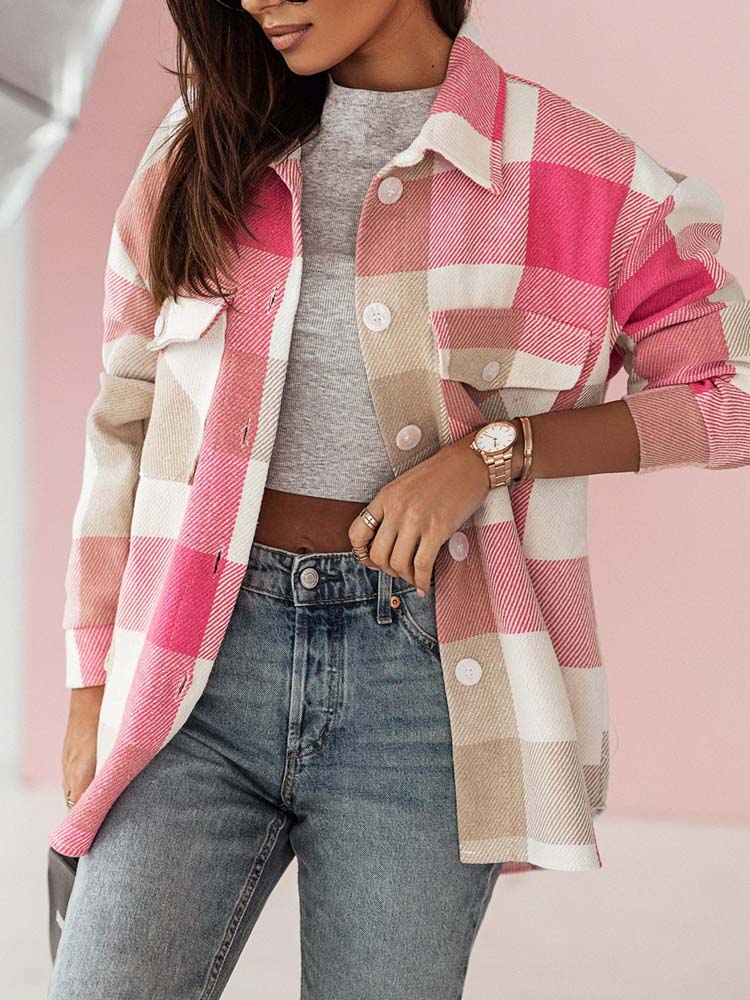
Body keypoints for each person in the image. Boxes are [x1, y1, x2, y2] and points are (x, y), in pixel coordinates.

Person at [48, 1, 750, 997]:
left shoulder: (580, 174)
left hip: (425, 689)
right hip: (193, 665)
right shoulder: (202, 148)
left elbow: (731, 395)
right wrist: (89, 685)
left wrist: (494, 455)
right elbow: (125, 413)